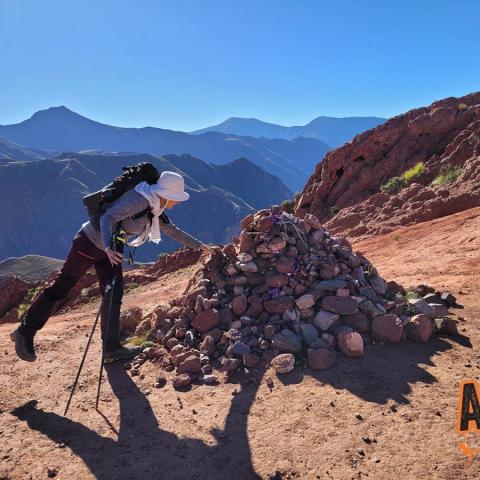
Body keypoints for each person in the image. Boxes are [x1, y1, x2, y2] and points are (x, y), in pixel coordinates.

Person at [11, 171, 211, 363]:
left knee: (114, 293)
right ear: (167, 194)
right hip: (89, 243)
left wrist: (200, 247)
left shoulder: (155, 207)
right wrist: (107, 247)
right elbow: (108, 218)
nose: (177, 203)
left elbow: (173, 231)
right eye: (176, 198)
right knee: (62, 287)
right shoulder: (140, 200)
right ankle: (25, 331)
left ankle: (111, 348)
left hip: (111, 249)